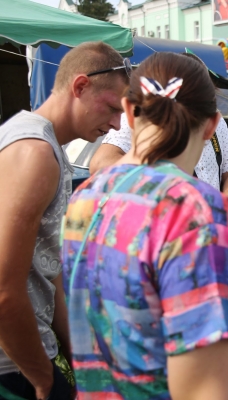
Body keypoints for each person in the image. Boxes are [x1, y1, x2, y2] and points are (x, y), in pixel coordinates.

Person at [62, 52, 228, 399]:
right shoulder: (198, 214)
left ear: (130, 113)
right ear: (212, 124)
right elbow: (203, 391)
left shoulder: (85, 198)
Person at [0, 42, 129, 400]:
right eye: (113, 108)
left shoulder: (43, 145)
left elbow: (48, 269)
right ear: (81, 86)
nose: (117, 124)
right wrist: (43, 378)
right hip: (14, 369)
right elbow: (3, 290)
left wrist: (80, 358)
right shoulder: (35, 153)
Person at [90, 55, 228, 207]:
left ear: (128, 112)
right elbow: (100, 163)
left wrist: (227, 205)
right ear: (210, 124)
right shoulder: (205, 217)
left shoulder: (81, 199)